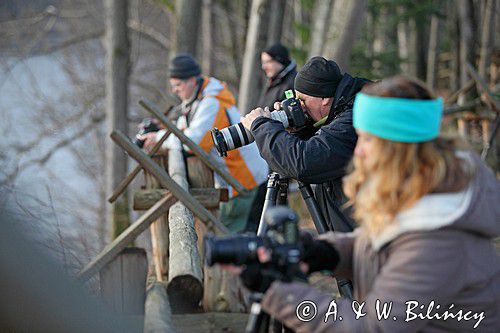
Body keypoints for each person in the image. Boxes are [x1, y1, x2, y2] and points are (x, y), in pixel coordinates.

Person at [258, 76, 500, 332]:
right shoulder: (425, 189)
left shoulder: (439, 236)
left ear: (400, 148)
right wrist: (327, 253)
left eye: (368, 139)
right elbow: (386, 245)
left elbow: (372, 327)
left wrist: (279, 295)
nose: (358, 151)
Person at [140, 53, 268, 233]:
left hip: (244, 179)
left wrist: (158, 138)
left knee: (232, 242)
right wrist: (161, 130)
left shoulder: (212, 104)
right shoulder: (200, 99)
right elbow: (186, 130)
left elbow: (193, 142)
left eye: (178, 85)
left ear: (192, 80)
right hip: (239, 180)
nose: (175, 91)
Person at [242, 56, 370, 233]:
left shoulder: (354, 117)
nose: (298, 106)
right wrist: (298, 127)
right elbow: (323, 145)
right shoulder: (343, 107)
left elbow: (306, 161)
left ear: (324, 99)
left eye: (302, 100)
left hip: (365, 237)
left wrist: (262, 126)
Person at [258, 43, 297, 110]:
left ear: (280, 60)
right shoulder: (275, 80)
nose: (264, 67)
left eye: (268, 62)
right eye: (263, 62)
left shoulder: (293, 83)